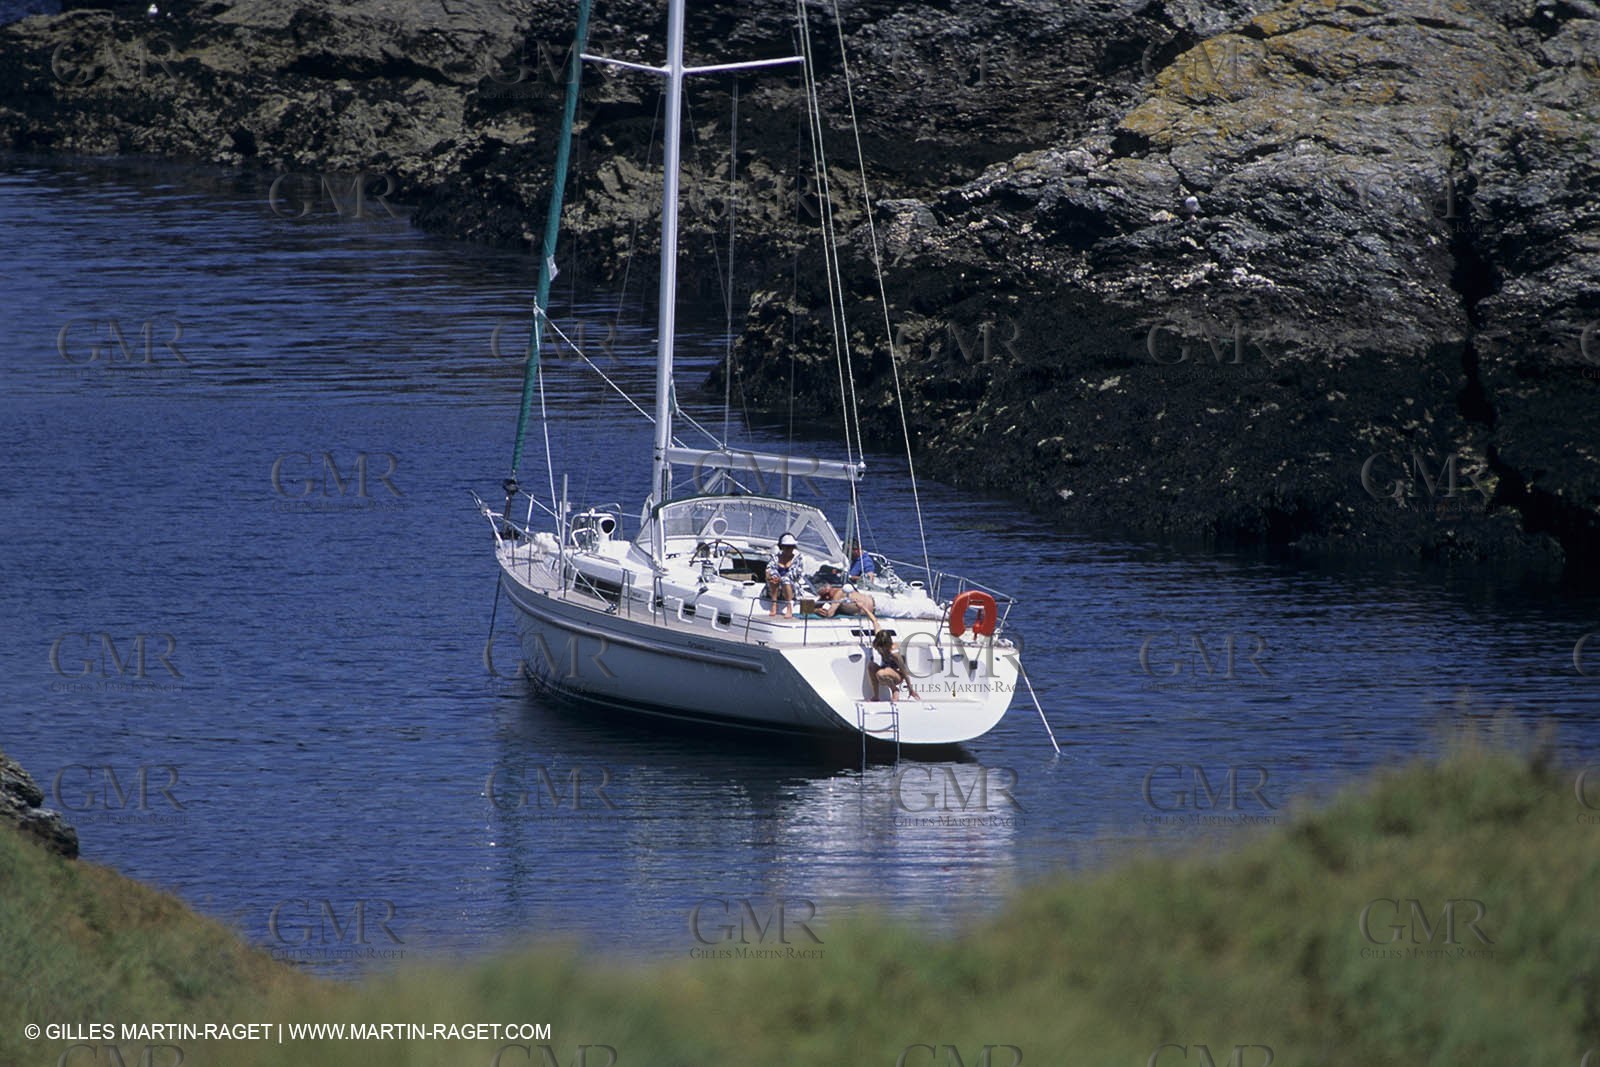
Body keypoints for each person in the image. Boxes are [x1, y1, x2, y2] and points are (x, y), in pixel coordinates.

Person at [871, 630, 917, 704]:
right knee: (871, 666)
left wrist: (910, 689)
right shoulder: (879, 643)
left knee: (880, 673)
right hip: (886, 669)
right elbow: (875, 623)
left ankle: (894, 690)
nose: (881, 649)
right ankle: (876, 696)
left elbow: (904, 672)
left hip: (897, 675)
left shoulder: (894, 654)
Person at [765, 532, 805, 618]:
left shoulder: (798, 558)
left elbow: (795, 574)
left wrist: (781, 579)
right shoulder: (776, 557)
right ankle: (774, 604)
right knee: (773, 578)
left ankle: (789, 606)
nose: (789, 549)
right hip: (776, 588)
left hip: (792, 587)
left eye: (791, 546)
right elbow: (770, 568)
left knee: (785, 580)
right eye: (786, 546)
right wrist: (773, 576)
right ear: (782, 547)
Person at [814, 581, 879, 628]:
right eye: (823, 595)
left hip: (878, 607)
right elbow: (809, 606)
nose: (826, 598)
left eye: (827, 594)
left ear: (830, 588)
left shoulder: (839, 593)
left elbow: (829, 614)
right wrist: (815, 609)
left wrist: (816, 610)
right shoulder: (827, 596)